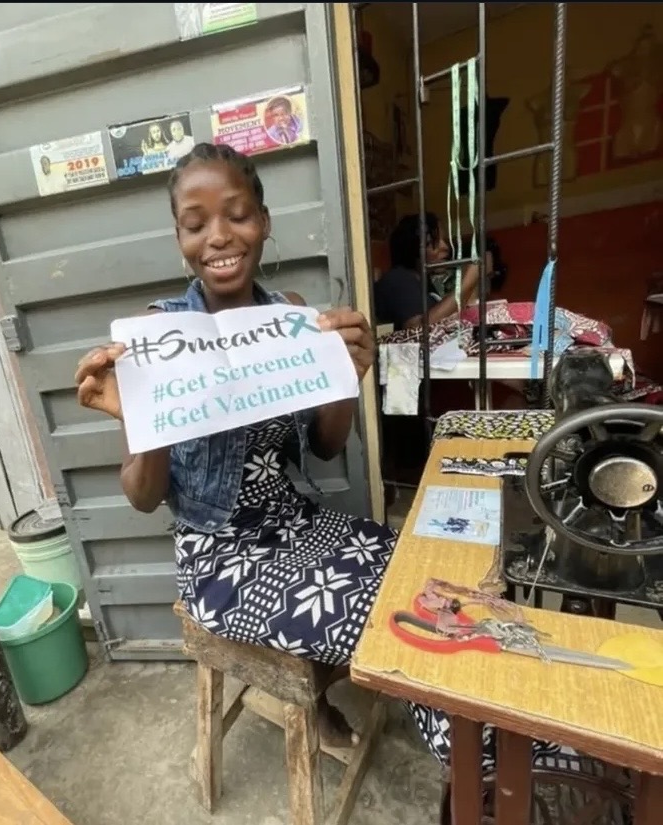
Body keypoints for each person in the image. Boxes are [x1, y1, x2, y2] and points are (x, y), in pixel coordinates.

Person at [74, 143, 564, 768]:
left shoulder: (290, 320)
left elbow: (326, 445)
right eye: (196, 225)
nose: (219, 237)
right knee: (404, 623)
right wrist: (144, 421)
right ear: (179, 238)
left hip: (295, 522)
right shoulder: (158, 337)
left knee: (429, 572)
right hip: (222, 558)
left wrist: (346, 376)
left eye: (237, 215)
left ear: (265, 221)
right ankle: (491, 769)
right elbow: (144, 498)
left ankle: (524, 719)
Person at [374, 212, 486, 331]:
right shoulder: (398, 279)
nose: (445, 247)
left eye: (443, 240)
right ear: (414, 248)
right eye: (434, 243)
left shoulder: (423, 282)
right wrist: (467, 283)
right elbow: (417, 330)